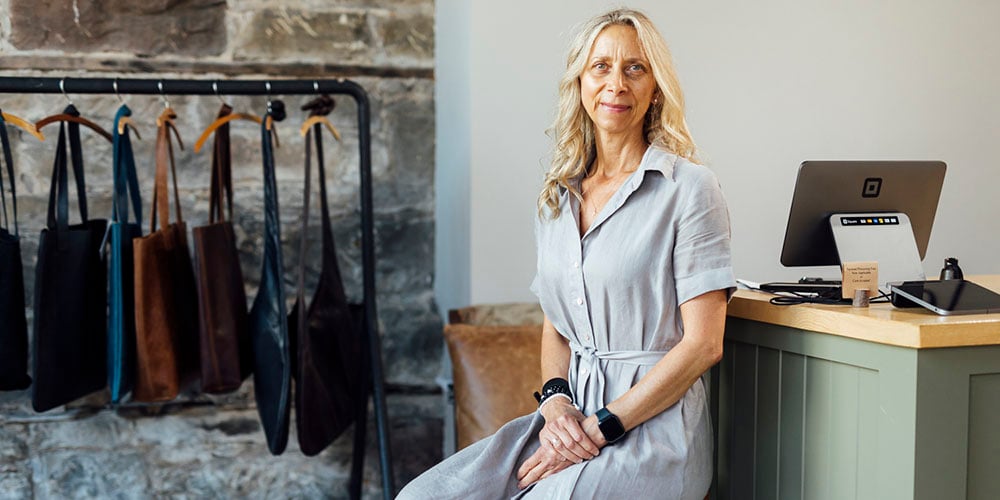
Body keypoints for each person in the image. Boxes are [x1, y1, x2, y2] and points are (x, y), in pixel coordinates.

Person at [398, 8, 734, 499]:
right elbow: (555, 325)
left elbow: (704, 344)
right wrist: (555, 405)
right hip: (567, 417)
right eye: (601, 67)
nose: (616, 83)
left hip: (653, 431)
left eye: (634, 68)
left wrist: (602, 428)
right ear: (579, 82)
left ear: (655, 88)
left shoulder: (689, 189)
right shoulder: (557, 197)